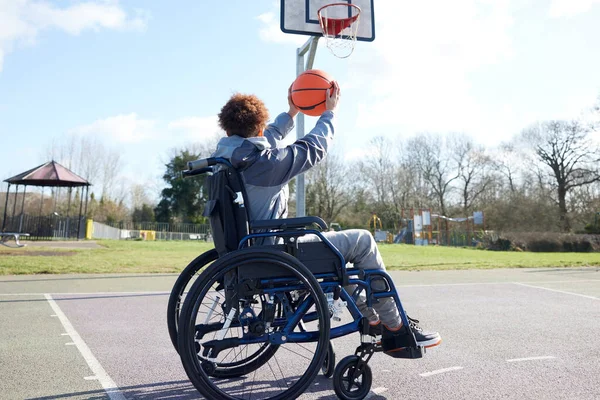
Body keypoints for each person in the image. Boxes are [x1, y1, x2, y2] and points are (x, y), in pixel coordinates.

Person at [211, 83, 441, 357]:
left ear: (227, 129)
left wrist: (291, 113)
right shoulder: (266, 165)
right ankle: (396, 327)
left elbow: (267, 138)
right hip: (272, 254)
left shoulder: (226, 158)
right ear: (258, 128)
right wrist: (329, 114)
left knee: (336, 256)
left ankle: (372, 317)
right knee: (362, 241)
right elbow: (313, 148)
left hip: (243, 251)